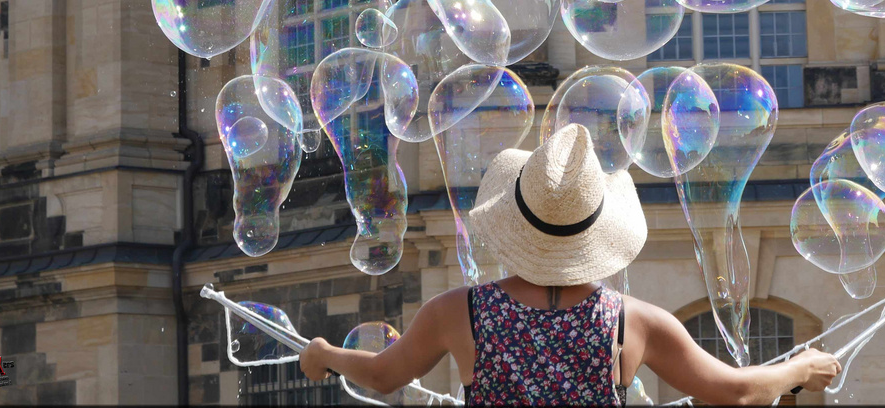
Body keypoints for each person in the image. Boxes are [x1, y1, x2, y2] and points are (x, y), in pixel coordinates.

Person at [301, 124, 841, 405]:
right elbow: (737, 393)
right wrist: (800, 369)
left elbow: (381, 375)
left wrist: (326, 353)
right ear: (598, 229)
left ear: (516, 218)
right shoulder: (636, 322)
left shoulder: (456, 312)